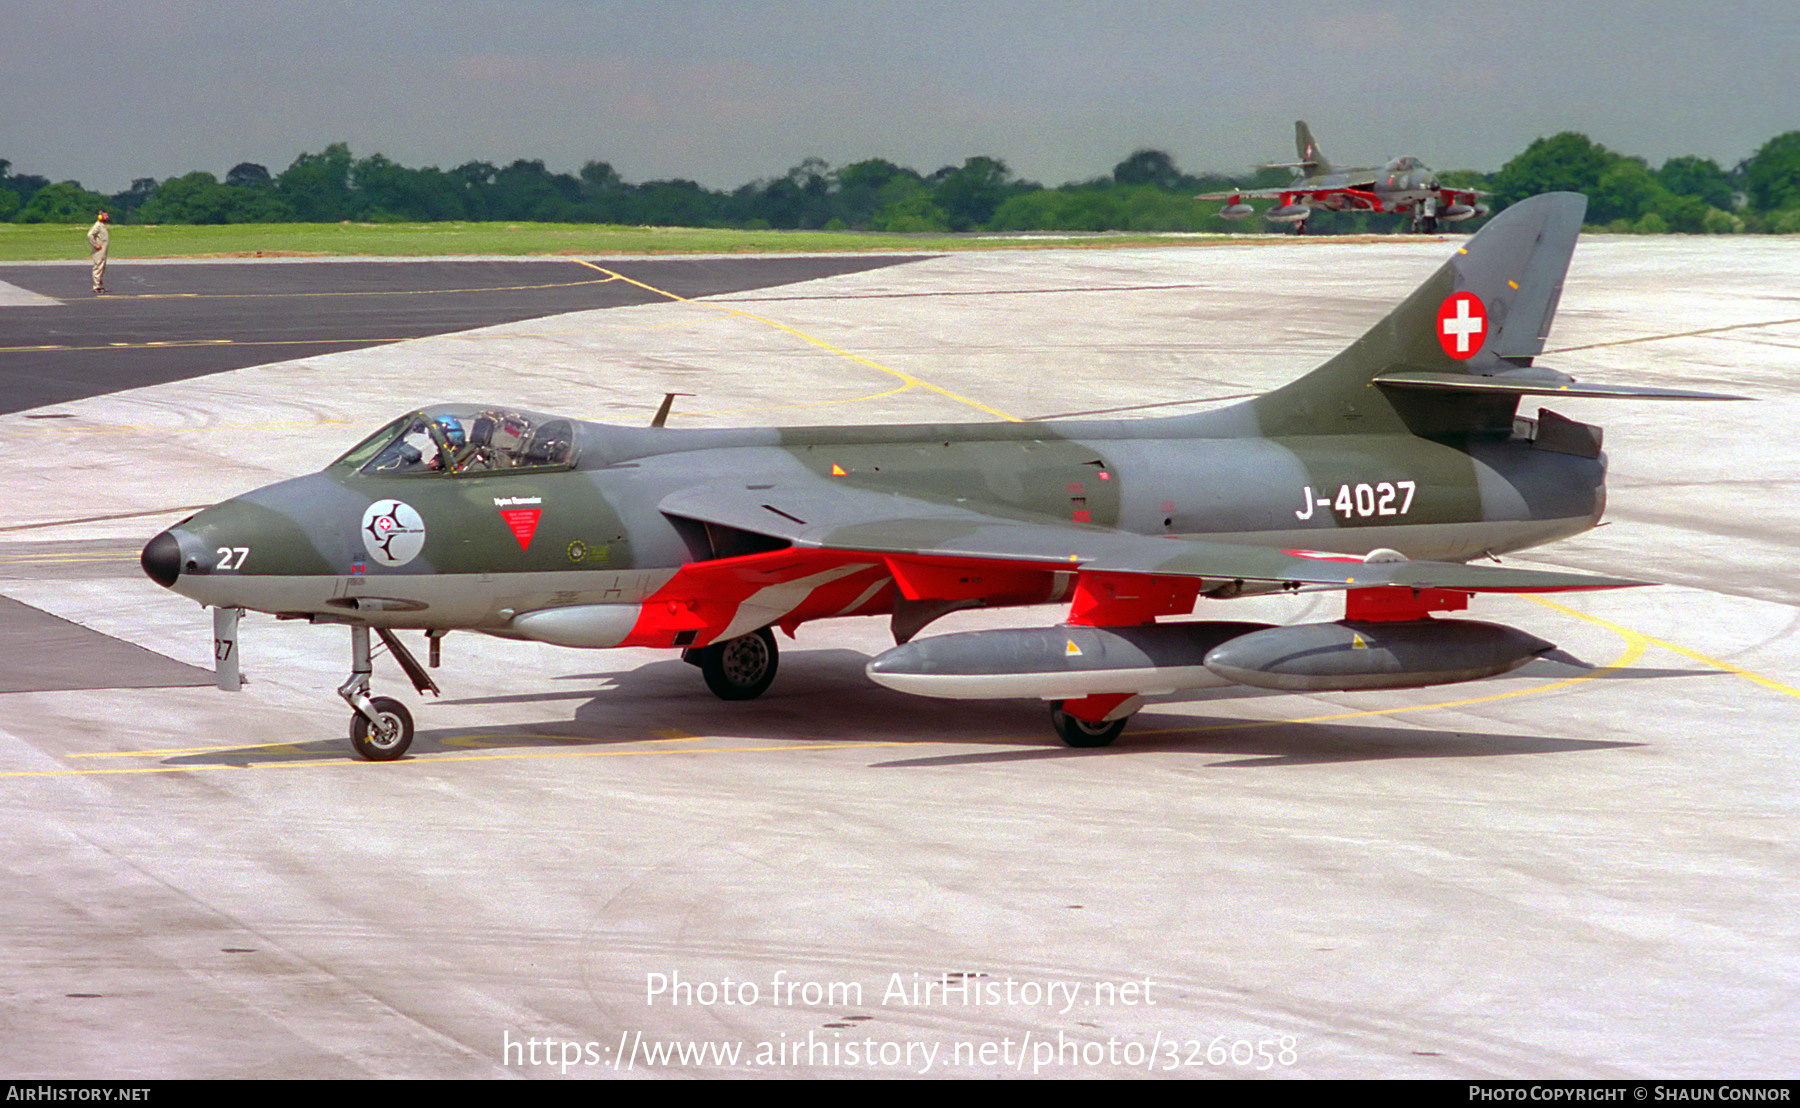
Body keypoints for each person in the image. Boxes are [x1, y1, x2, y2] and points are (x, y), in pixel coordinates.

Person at [86, 211, 110, 294]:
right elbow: (90, 235)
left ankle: (99, 285)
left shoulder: (102, 226)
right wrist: (95, 244)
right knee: (98, 267)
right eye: (105, 215)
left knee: (101, 267)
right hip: (98, 251)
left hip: (103, 251)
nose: (107, 217)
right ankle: (96, 287)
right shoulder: (98, 226)